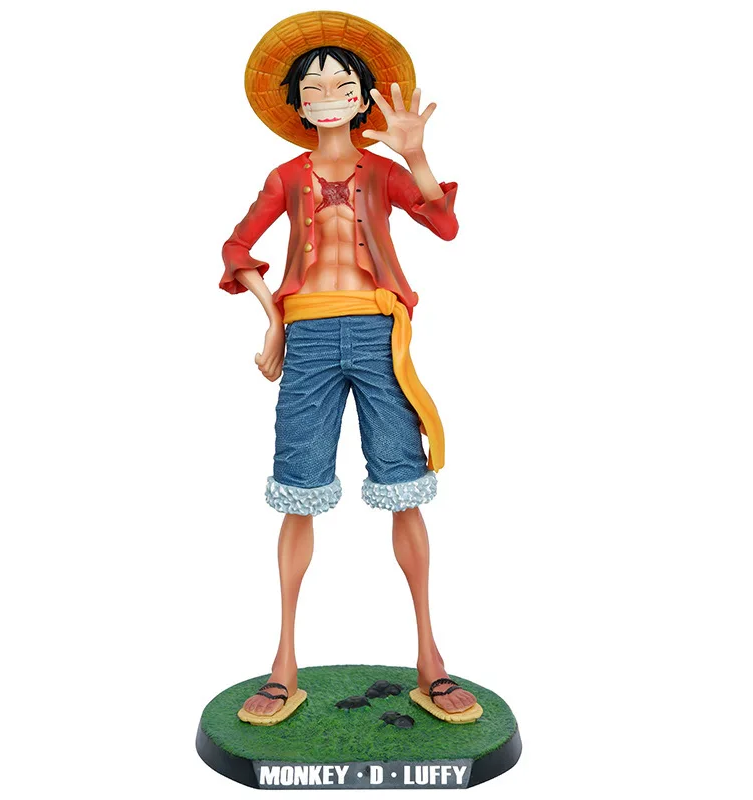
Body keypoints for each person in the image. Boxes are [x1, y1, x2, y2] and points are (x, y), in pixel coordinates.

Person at [221, 11, 479, 724]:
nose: (327, 95)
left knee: (403, 483)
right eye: (313, 87)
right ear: (297, 104)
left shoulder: (383, 171)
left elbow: (445, 225)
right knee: (297, 488)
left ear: (364, 97)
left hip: (376, 331)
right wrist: (274, 317)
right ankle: (284, 663)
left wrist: (416, 155)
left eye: (341, 85)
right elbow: (236, 248)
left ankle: (430, 659)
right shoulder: (285, 176)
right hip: (307, 337)